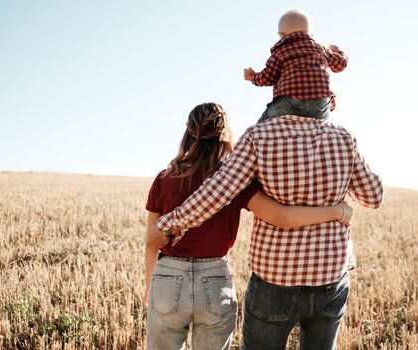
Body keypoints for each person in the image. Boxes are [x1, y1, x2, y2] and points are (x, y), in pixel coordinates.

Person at [151, 107, 383, 349]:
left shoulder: (166, 179)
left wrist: (151, 283)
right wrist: (338, 211)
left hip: (173, 276)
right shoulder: (243, 183)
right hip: (220, 278)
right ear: (226, 133)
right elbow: (280, 215)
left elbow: (153, 239)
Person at [243, 9, 348, 123]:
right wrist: (337, 51)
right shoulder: (321, 49)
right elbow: (341, 64)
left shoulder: (281, 51)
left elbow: (267, 77)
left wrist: (252, 76)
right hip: (319, 105)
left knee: (262, 124)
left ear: (281, 34)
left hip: (289, 104)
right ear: (310, 34)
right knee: (323, 118)